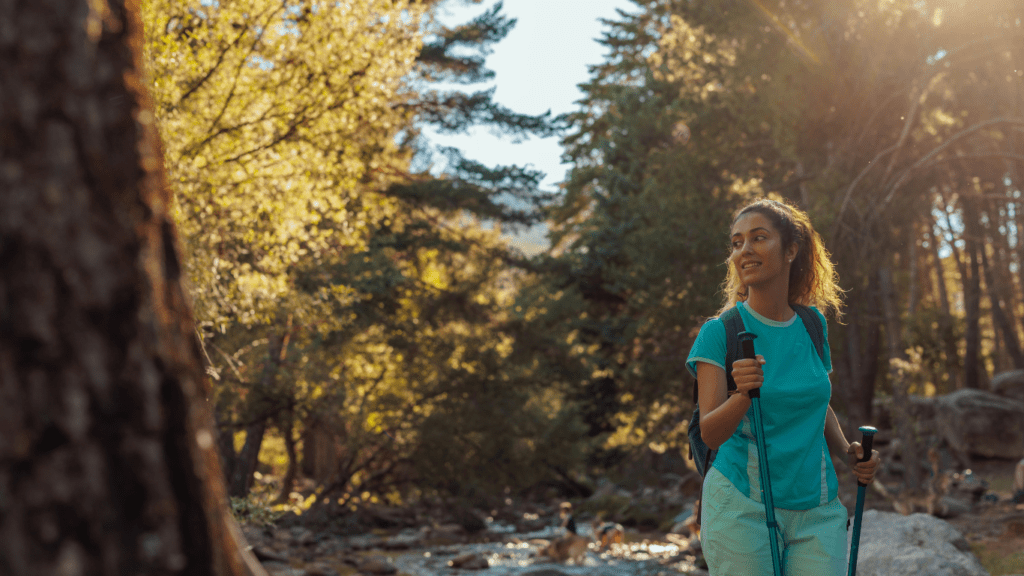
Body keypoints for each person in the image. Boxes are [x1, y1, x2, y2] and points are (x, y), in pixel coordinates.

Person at [685, 198, 881, 576]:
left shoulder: (812, 324)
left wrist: (848, 453)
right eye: (737, 242)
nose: (745, 250)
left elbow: (815, 402)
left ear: (791, 249)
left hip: (818, 507)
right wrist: (742, 394)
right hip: (742, 505)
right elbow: (710, 433)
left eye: (758, 238)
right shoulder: (718, 333)